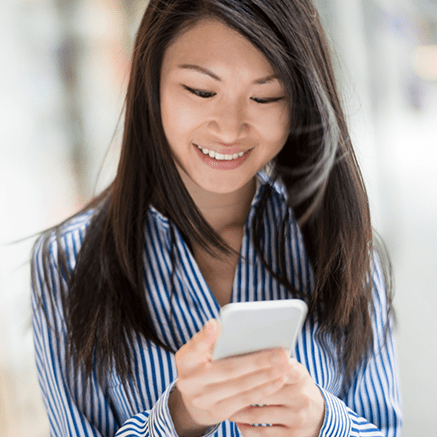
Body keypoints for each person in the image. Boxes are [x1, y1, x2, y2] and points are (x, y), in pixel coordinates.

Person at [31, 0, 402, 436]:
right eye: (201, 91)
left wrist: (321, 422)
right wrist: (180, 417)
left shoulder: (342, 245)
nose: (229, 128)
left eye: (265, 96)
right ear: (147, 82)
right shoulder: (67, 262)